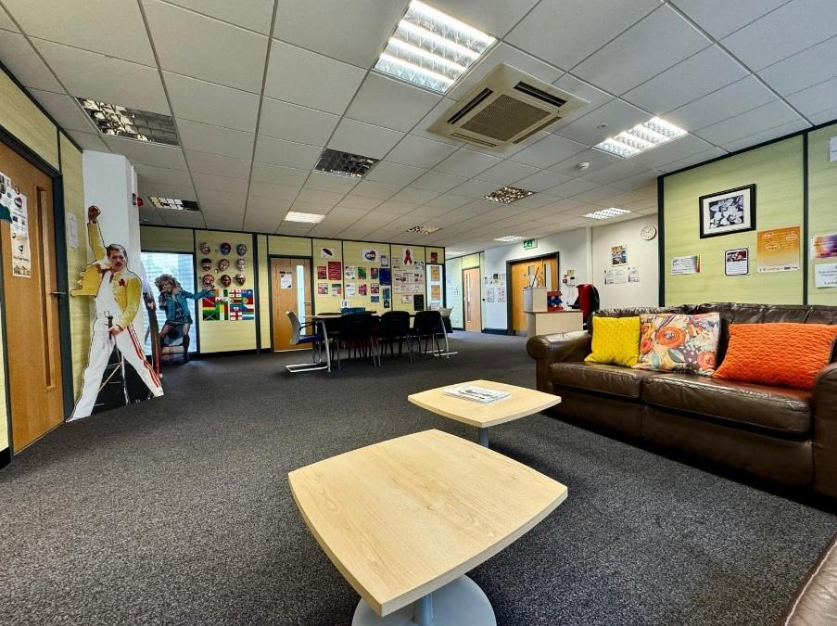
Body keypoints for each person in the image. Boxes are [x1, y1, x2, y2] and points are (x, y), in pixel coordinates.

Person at [69, 205, 164, 421]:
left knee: (139, 362)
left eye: (121, 257)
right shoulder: (103, 270)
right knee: (93, 370)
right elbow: (97, 245)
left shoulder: (131, 279)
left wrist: (120, 325)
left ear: (125, 259)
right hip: (102, 323)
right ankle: (80, 415)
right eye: (114, 257)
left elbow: (132, 307)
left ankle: (159, 394)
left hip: (121, 324)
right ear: (110, 258)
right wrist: (93, 223)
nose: (118, 260)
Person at [154, 274, 212, 362]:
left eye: (166, 284)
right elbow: (162, 308)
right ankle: (159, 354)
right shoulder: (164, 296)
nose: (165, 287)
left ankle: (185, 353)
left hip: (185, 319)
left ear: (172, 284)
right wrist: (162, 296)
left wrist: (205, 291)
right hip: (172, 320)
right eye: (163, 285)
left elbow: (194, 297)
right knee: (161, 334)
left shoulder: (181, 293)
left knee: (185, 334)